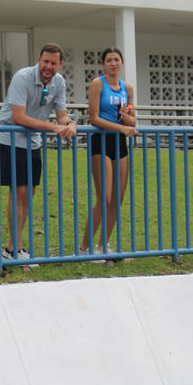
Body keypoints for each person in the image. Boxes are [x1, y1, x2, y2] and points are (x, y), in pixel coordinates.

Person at [0, 42, 77, 262]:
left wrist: (70, 124)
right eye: (45, 61)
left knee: (28, 193)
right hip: (11, 138)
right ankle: (14, 248)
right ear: (39, 60)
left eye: (53, 63)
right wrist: (54, 127)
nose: (48, 66)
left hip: (33, 141)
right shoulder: (22, 77)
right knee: (18, 191)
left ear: (60, 64)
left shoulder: (59, 82)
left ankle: (14, 246)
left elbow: (61, 115)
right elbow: (18, 117)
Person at [80, 46, 137, 256]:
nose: (113, 63)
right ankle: (84, 248)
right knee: (105, 198)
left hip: (119, 142)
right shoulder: (98, 84)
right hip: (101, 141)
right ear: (104, 64)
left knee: (117, 199)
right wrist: (121, 127)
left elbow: (133, 120)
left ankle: (104, 245)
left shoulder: (127, 88)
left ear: (122, 63)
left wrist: (125, 117)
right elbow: (94, 118)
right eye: (109, 60)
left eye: (116, 60)